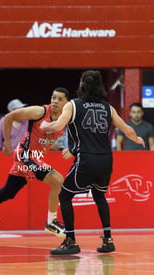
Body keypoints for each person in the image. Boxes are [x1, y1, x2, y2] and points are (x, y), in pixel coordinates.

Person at [40, 70, 145, 255]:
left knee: (64, 196)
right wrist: (137, 139)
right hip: (106, 159)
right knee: (99, 196)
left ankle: (70, 241)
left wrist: (44, 126)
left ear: (82, 85)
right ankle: (108, 239)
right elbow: (126, 129)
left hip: (86, 159)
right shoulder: (107, 107)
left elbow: (57, 126)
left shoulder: (73, 105)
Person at [0, 88, 70, 239]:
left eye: (59, 99)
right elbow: (9, 117)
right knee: (59, 181)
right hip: (25, 155)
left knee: (8, 192)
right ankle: (51, 222)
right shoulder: (40, 112)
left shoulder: (65, 118)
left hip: (35, 157)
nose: (55, 101)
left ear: (67, 103)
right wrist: (6, 144)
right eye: (53, 98)